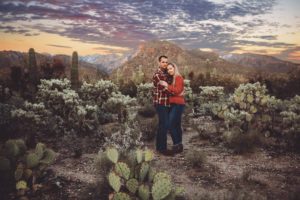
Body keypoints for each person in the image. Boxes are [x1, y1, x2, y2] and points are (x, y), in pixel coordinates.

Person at [159, 63, 185, 154]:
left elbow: (177, 91)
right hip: (174, 104)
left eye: (171, 68)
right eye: (168, 69)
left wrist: (167, 85)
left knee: (170, 124)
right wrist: (167, 88)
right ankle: (179, 146)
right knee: (177, 125)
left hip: (178, 104)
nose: (169, 70)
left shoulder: (178, 77)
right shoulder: (173, 79)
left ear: (175, 68)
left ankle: (176, 145)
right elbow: (174, 92)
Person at [152, 55, 174, 156]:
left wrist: (169, 85)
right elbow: (165, 89)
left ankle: (160, 147)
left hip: (167, 103)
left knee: (163, 124)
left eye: (166, 62)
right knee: (164, 124)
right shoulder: (157, 75)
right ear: (159, 63)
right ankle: (162, 149)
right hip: (160, 103)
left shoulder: (166, 74)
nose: (165, 64)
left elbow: (169, 85)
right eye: (163, 62)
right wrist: (172, 88)